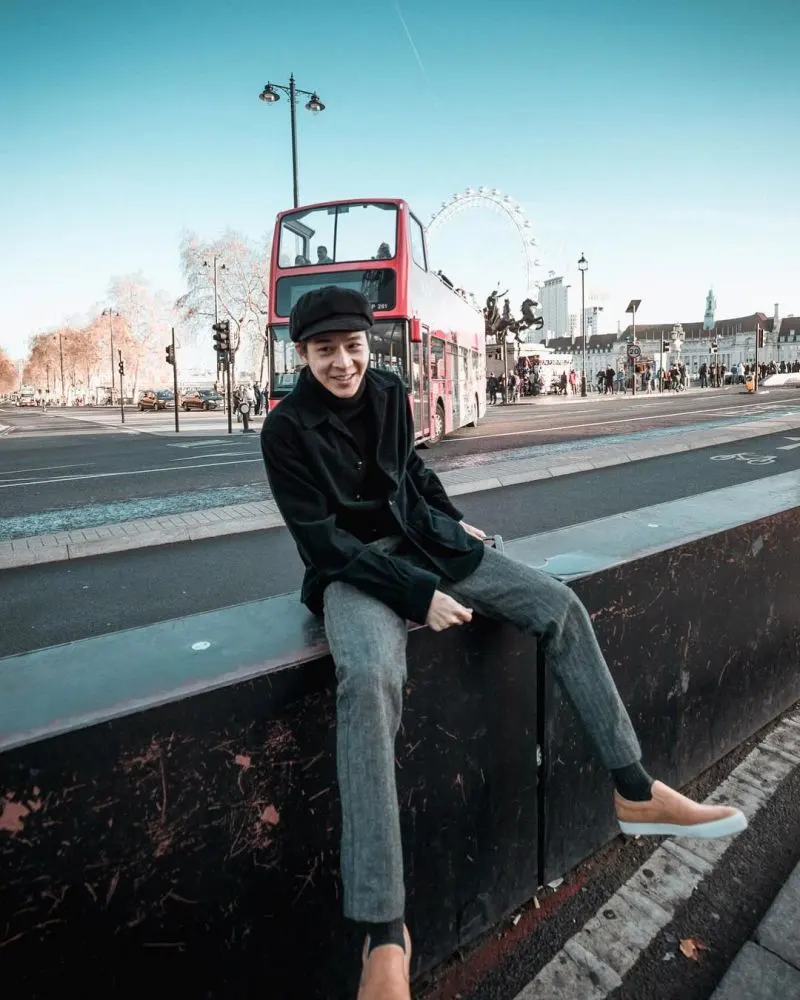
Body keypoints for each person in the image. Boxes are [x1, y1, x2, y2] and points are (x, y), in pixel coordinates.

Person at [260, 286, 747, 1000]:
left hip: (426, 544)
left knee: (559, 606)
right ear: (302, 354)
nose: (343, 363)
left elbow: (413, 476)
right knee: (369, 682)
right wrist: (417, 596)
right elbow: (323, 544)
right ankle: (384, 932)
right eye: (325, 350)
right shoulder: (284, 429)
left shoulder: (389, 392)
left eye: (353, 347)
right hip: (356, 573)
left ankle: (636, 791)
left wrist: (454, 523)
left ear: (370, 344)